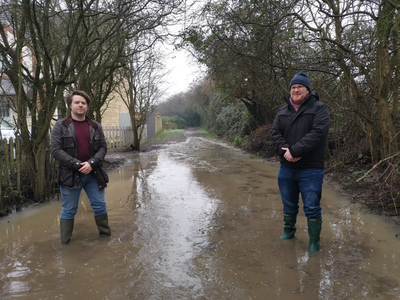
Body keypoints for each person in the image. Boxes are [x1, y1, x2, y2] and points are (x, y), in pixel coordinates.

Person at [270, 72, 329, 254]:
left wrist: (294, 151)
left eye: (299, 87)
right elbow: (275, 134)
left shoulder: (319, 108)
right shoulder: (282, 111)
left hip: (310, 168)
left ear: (307, 90)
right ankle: (289, 232)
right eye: (293, 87)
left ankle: (314, 243)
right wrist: (285, 151)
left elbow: (318, 134)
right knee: (289, 204)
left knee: (312, 206)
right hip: (286, 167)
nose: (296, 90)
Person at [50, 90, 111, 244]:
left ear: (87, 106)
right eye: (77, 102)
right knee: (69, 209)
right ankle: (65, 244)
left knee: (99, 205)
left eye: (83, 103)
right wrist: (78, 165)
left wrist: (91, 163)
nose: (80, 105)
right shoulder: (60, 126)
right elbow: (56, 150)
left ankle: (105, 239)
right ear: (70, 105)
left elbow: (103, 148)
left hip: (93, 173)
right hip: (70, 175)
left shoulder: (96, 126)